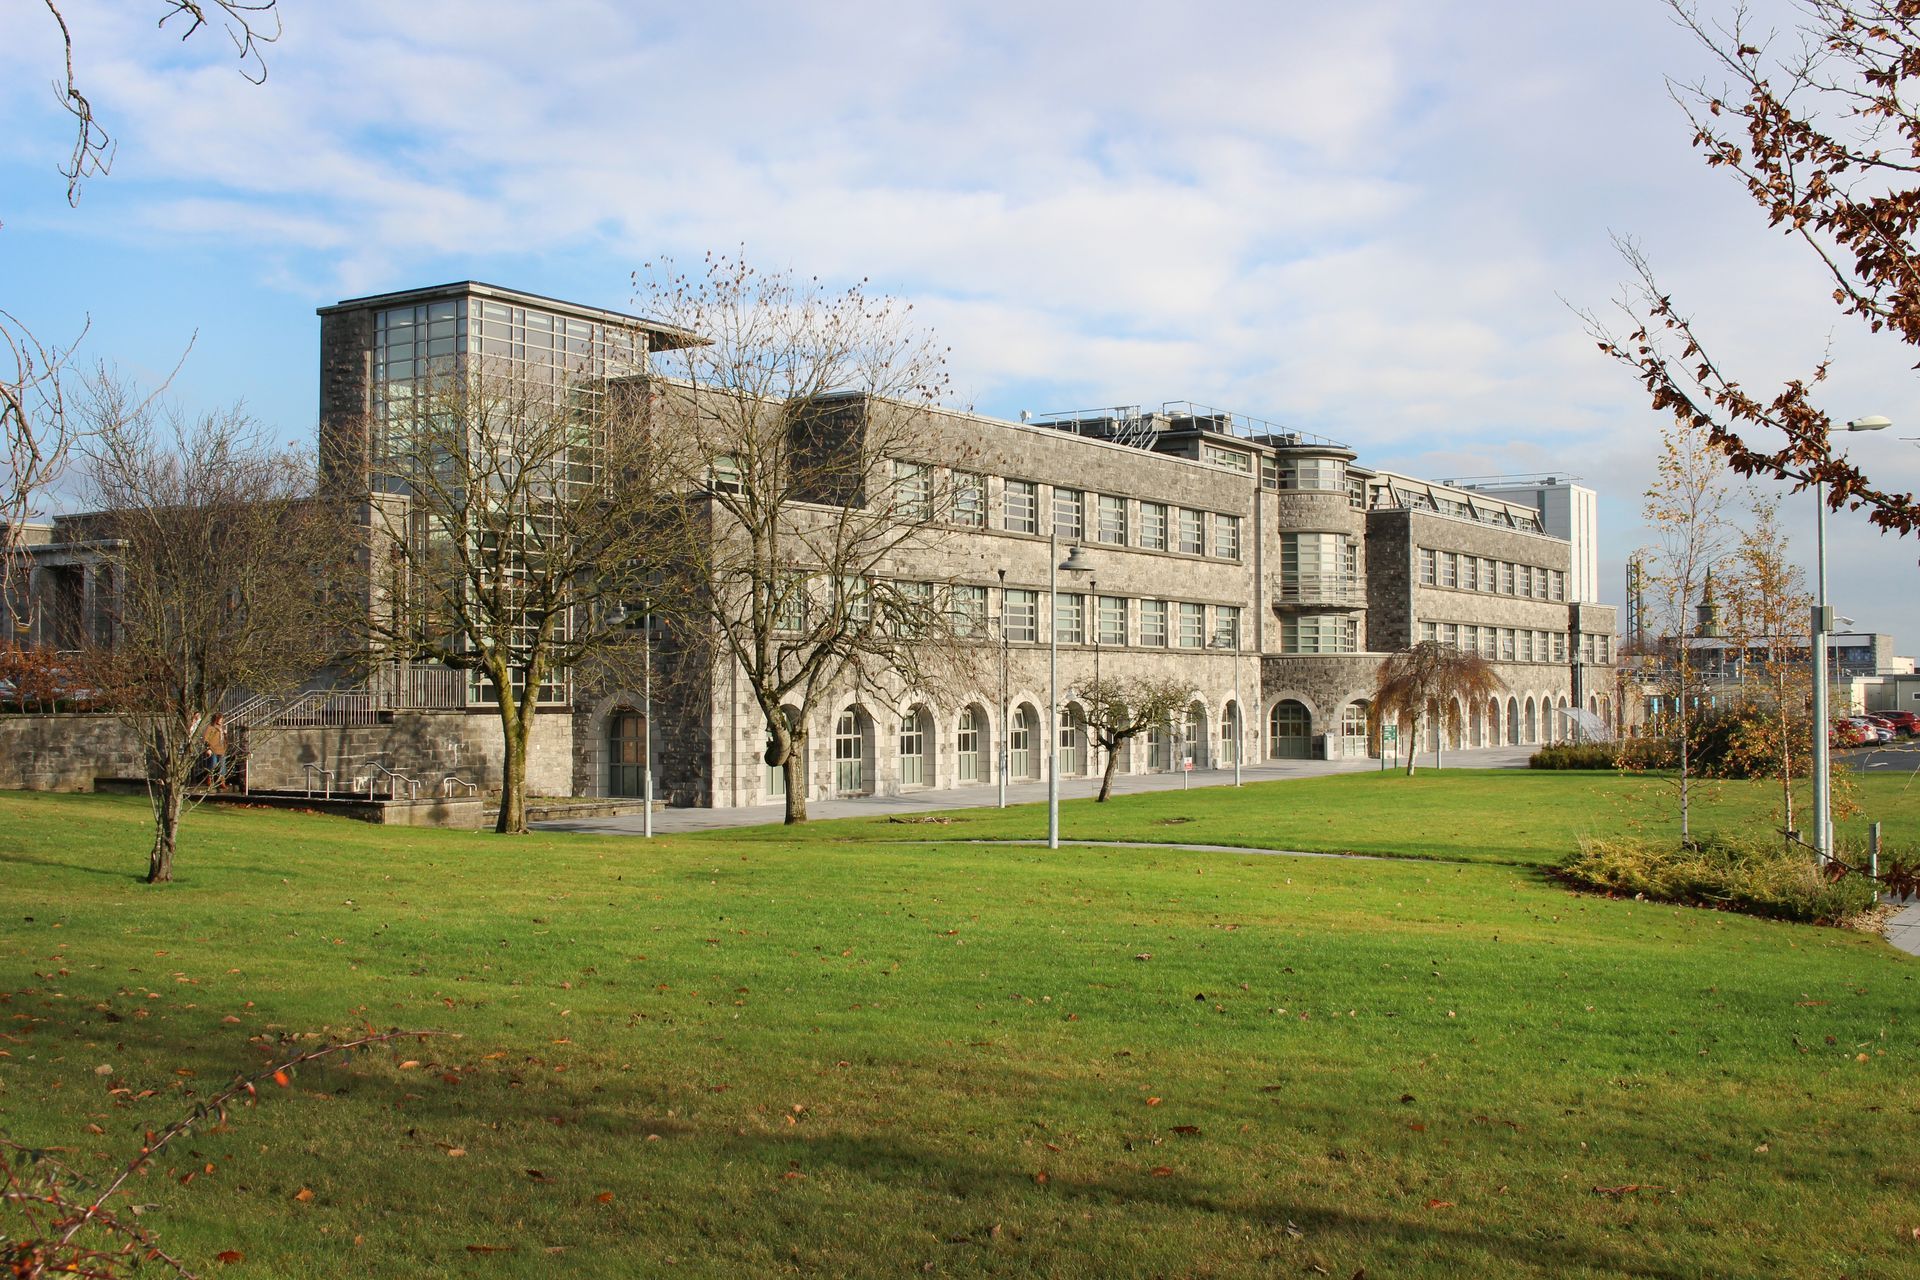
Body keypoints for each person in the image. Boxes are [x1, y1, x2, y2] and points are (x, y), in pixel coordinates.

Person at [203, 712, 230, 790]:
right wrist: (208, 748)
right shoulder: (210, 727)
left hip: (221, 749)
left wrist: (225, 734)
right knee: (212, 764)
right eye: (220, 719)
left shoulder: (222, 728)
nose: (221, 720)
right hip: (213, 749)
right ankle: (209, 779)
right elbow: (206, 738)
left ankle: (222, 781)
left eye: (222, 719)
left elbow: (225, 740)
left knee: (222, 765)